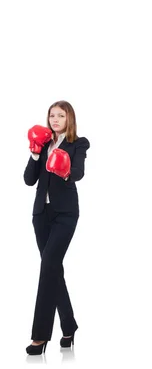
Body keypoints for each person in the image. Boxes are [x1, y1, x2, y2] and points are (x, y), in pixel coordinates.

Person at [24, 101, 90, 355]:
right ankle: (69, 325)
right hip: (41, 214)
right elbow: (29, 180)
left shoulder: (78, 143)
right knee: (53, 268)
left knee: (48, 265)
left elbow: (78, 173)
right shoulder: (41, 142)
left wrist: (65, 170)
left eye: (60, 115)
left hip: (65, 214)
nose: (55, 119)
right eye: (52, 115)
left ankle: (39, 336)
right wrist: (34, 152)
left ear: (69, 118)